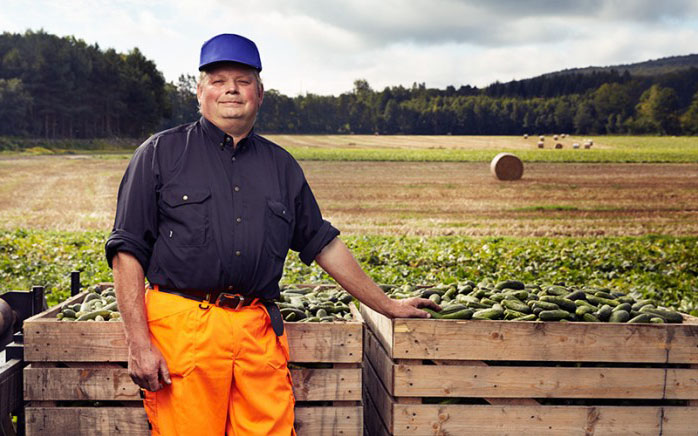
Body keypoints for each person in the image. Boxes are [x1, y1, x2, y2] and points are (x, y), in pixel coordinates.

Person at [105, 33, 438, 435]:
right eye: (218, 79)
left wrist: (387, 305)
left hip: (255, 329)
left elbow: (323, 243)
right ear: (199, 91)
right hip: (182, 331)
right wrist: (139, 344)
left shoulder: (281, 167)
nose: (231, 89)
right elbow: (128, 251)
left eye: (243, 80)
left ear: (259, 93)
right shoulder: (160, 154)